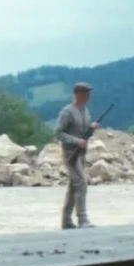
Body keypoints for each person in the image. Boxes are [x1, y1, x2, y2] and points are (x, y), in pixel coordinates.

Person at [55, 82, 99, 229]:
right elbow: (58, 133)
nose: (88, 96)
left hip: (81, 153)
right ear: (77, 94)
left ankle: (66, 220)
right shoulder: (67, 112)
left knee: (74, 187)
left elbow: (84, 133)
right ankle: (82, 219)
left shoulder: (86, 111)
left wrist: (91, 129)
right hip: (71, 154)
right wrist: (76, 141)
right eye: (85, 93)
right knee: (81, 183)